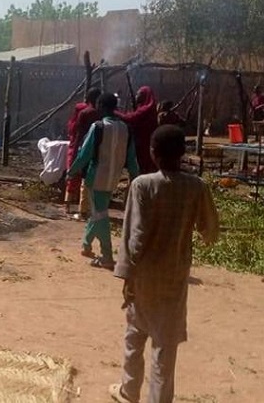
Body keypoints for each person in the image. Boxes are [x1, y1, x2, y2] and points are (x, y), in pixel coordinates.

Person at [109, 125, 219, 403]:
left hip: (144, 276)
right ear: (182, 153)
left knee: (135, 336)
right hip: (175, 277)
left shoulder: (143, 185)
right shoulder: (196, 187)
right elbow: (211, 232)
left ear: (153, 153)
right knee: (164, 347)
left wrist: (126, 275)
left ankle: (128, 391)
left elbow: (136, 237)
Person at [67, 93, 139, 269]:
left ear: (100, 107)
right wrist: (135, 176)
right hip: (113, 178)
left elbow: (85, 154)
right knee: (99, 211)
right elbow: (131, 157)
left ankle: (106, 255)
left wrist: (72, 171)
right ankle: (86, 244)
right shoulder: (125, 128)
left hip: (95, 178)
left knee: (100, 215)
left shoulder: (98, 127)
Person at [65, 88, 102, 217]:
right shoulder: (101, 114)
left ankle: (68, 205)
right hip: (97, 149)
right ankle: (85, 209)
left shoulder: (83, 112)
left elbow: (77, 132)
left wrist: (75, 150)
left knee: (74, 175)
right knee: (89, 180)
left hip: (82, 146)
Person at [117, 86, 159, 174]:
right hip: (144, 141)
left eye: (138, 94)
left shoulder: (145, 110)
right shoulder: (148, 109)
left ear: (143, 96)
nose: (136, 96)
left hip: (143, 142)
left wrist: (115, 112)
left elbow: (130, 118)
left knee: (142, 164)